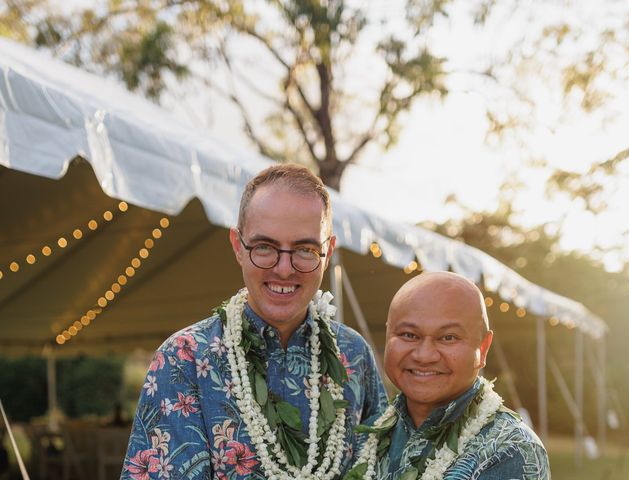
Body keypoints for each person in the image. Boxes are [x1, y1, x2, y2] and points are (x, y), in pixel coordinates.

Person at [121, 164, 387, 479]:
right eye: (265, 247)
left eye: (304, 249)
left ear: (327, 251)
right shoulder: (185, 358)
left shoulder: (354, 354)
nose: (284, 269)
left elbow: (383, 465)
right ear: (238, 246)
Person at [346, 271, 550, 480]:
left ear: (483, 348)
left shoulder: (510, 449)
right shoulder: (365, 435)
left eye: (448, 337)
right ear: (389, 336)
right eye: (409, 335)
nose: (424, 356)